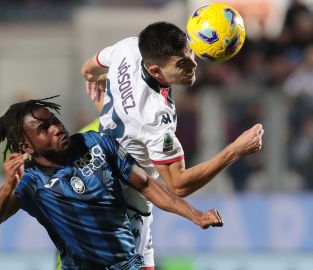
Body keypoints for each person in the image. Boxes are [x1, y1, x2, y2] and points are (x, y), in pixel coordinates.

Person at [81, 21, 264, 268]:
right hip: (122, 211)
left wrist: (102, 92)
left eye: (189, 55)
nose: (193, 65)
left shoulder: (129, 47)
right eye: (182, 64)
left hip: (108, 190)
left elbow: (88, 70)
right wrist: (235, 150)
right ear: (155, 71)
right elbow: (179, 185)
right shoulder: (154, 116)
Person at [0, 96, 224, 269]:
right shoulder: (31, 181)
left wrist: (196, 215)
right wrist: (8, 186)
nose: (57, 128)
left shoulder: (95, 143)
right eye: (44, 129)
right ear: (27, 146)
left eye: (55, 120)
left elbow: (147, 186)